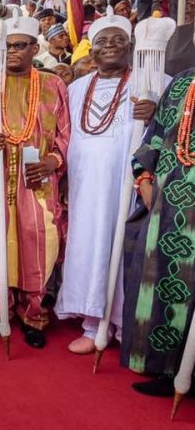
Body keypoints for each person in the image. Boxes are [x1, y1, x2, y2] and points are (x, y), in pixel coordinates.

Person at [55, 12, 162, 355]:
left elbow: (177, 126)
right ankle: (91, 322)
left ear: (131, 46)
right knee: (90, 250)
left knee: (127, 251)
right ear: (92, 51)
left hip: (131, 187)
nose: (111, 45)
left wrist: (155, 110)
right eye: (102, 40)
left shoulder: (153, 80)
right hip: (87, 190)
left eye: (118, 39)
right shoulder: (75, 88)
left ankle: (123, 326)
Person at [0, 13, 71, 349]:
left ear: (34, 47)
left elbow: (66, 135)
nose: (12, 51)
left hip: (37, 181)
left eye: (19, 46)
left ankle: (34, 315)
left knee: (36, 244)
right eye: (8, 46)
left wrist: (51, 161)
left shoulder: (54, 84)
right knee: (0, 243)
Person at [121, 27, 195, 397]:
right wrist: (145, 180)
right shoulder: (181, 84)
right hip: (166, 207)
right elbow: (154, 136)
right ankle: (167, 370)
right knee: (161, 285)